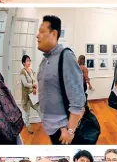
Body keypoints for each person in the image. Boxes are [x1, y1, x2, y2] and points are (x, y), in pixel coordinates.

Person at [37, 15, 86, 145]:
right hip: (50, 126)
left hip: (63, 129)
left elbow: (78, 99)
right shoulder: (45, 59)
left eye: (42, 32)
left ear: (54, 34)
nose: (38, 36)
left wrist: (70, 130)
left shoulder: (66, 56)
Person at [20, 54, 41, 134]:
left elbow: (34, 81)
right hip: (26, 96)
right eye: (27, 61)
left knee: (39, 108)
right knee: (27, 112)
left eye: (29, 60)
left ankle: (45, 124)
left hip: (33, 94)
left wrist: (35, 88)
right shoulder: (22, 72)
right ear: (23, 63)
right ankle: (28, 126)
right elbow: (25, 84)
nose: (29, 62)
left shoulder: (31, 70)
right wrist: (33, 86)